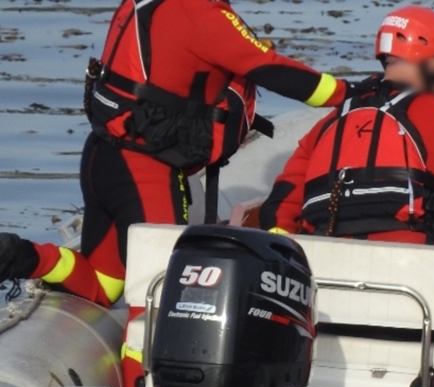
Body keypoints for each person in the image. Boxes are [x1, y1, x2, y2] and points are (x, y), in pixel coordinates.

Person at [0, 0, 351, 308]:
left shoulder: (143, 4)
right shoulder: (202, 14)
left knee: (104, 285)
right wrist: (351, 93)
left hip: (101, 156)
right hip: (146, 171)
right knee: (158, 294)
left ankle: (21, 256)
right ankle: (143, 380)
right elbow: (275, 71)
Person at [258, 6, 434, 335]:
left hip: (323, 294)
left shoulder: (327, 124)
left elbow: (277, 213)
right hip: (416, 291)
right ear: (432, 62)